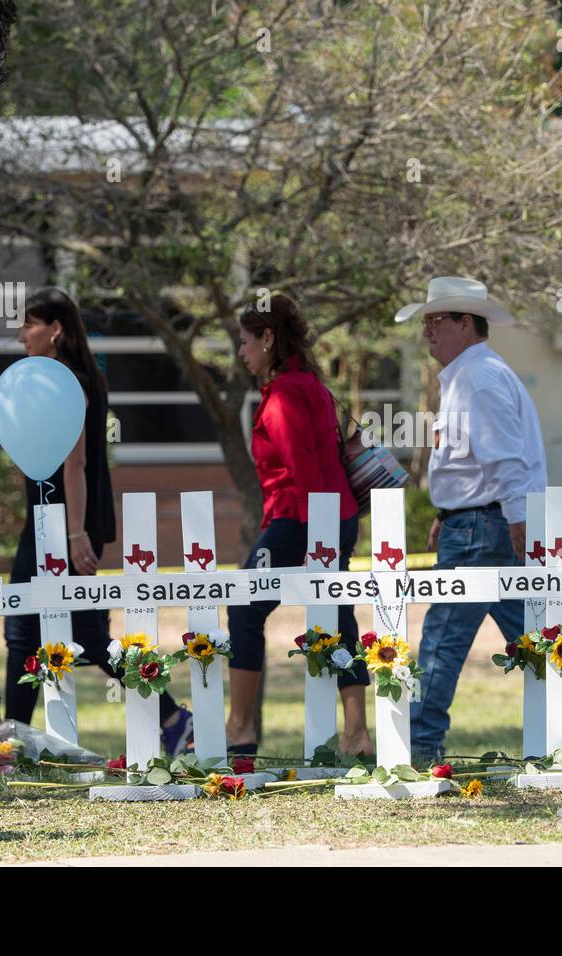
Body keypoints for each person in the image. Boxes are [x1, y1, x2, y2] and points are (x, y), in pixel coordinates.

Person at [399, 276, 562, 762]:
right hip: (480, 522)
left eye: (434, 321)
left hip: (481, 527)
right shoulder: (476, 374)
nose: (427, 332)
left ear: (465, 324)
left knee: (444, 637)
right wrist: (453, 512)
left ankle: (419, 746)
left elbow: (504, 459)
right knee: (532, 636)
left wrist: (511, 517)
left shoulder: (477, 378)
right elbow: (481, 461)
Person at [3, 287, 194, 756]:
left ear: (56, 330)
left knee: (29, 634)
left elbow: (76, 464)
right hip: (52, 520)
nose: (22, 334)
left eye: (30, 324)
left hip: (62, 524)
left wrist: (75, 533)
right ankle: (173, 717)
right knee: (73, 634)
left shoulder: (66, 382)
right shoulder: (71, 377)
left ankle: (10, 744)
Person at [227, 293, 373, 757]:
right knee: (339, 613)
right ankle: (356, 733)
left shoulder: (286, 393)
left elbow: (305, 471)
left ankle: (240, 728)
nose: (241, 351)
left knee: (244, 609)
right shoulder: (308, 383)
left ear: (268, 338)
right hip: (332, 515)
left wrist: (319, 542)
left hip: (301, 517)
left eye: (246, 341)